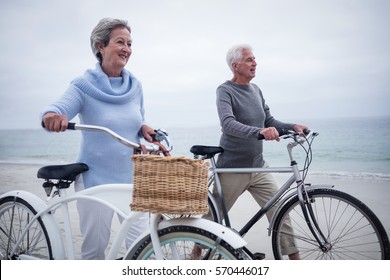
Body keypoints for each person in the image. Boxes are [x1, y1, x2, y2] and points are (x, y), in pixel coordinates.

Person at [41, 18, 156, 259]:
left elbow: (137, 120)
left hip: (131, 179)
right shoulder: (83, 85)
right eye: (120, 42)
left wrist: (144, 127)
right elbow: (57, 108)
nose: (127, 48)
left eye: (130, 43)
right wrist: (53, 116)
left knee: (142, 245)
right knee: (96, 248)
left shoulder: (135, 86)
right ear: (100, 46)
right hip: (96, 180)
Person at [193, 44, 307, 260]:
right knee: (211, 219)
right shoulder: (225, 90)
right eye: (249, 59)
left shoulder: (256, 90)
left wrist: (293, 127)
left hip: (258, 166)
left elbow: (269, 121)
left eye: (254, 59)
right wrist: (259, 132)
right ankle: (195, 256)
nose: (254, 63)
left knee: (280, 214)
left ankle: (295, 264)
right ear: (235, 66)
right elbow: (228, 124)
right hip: (234, 167)